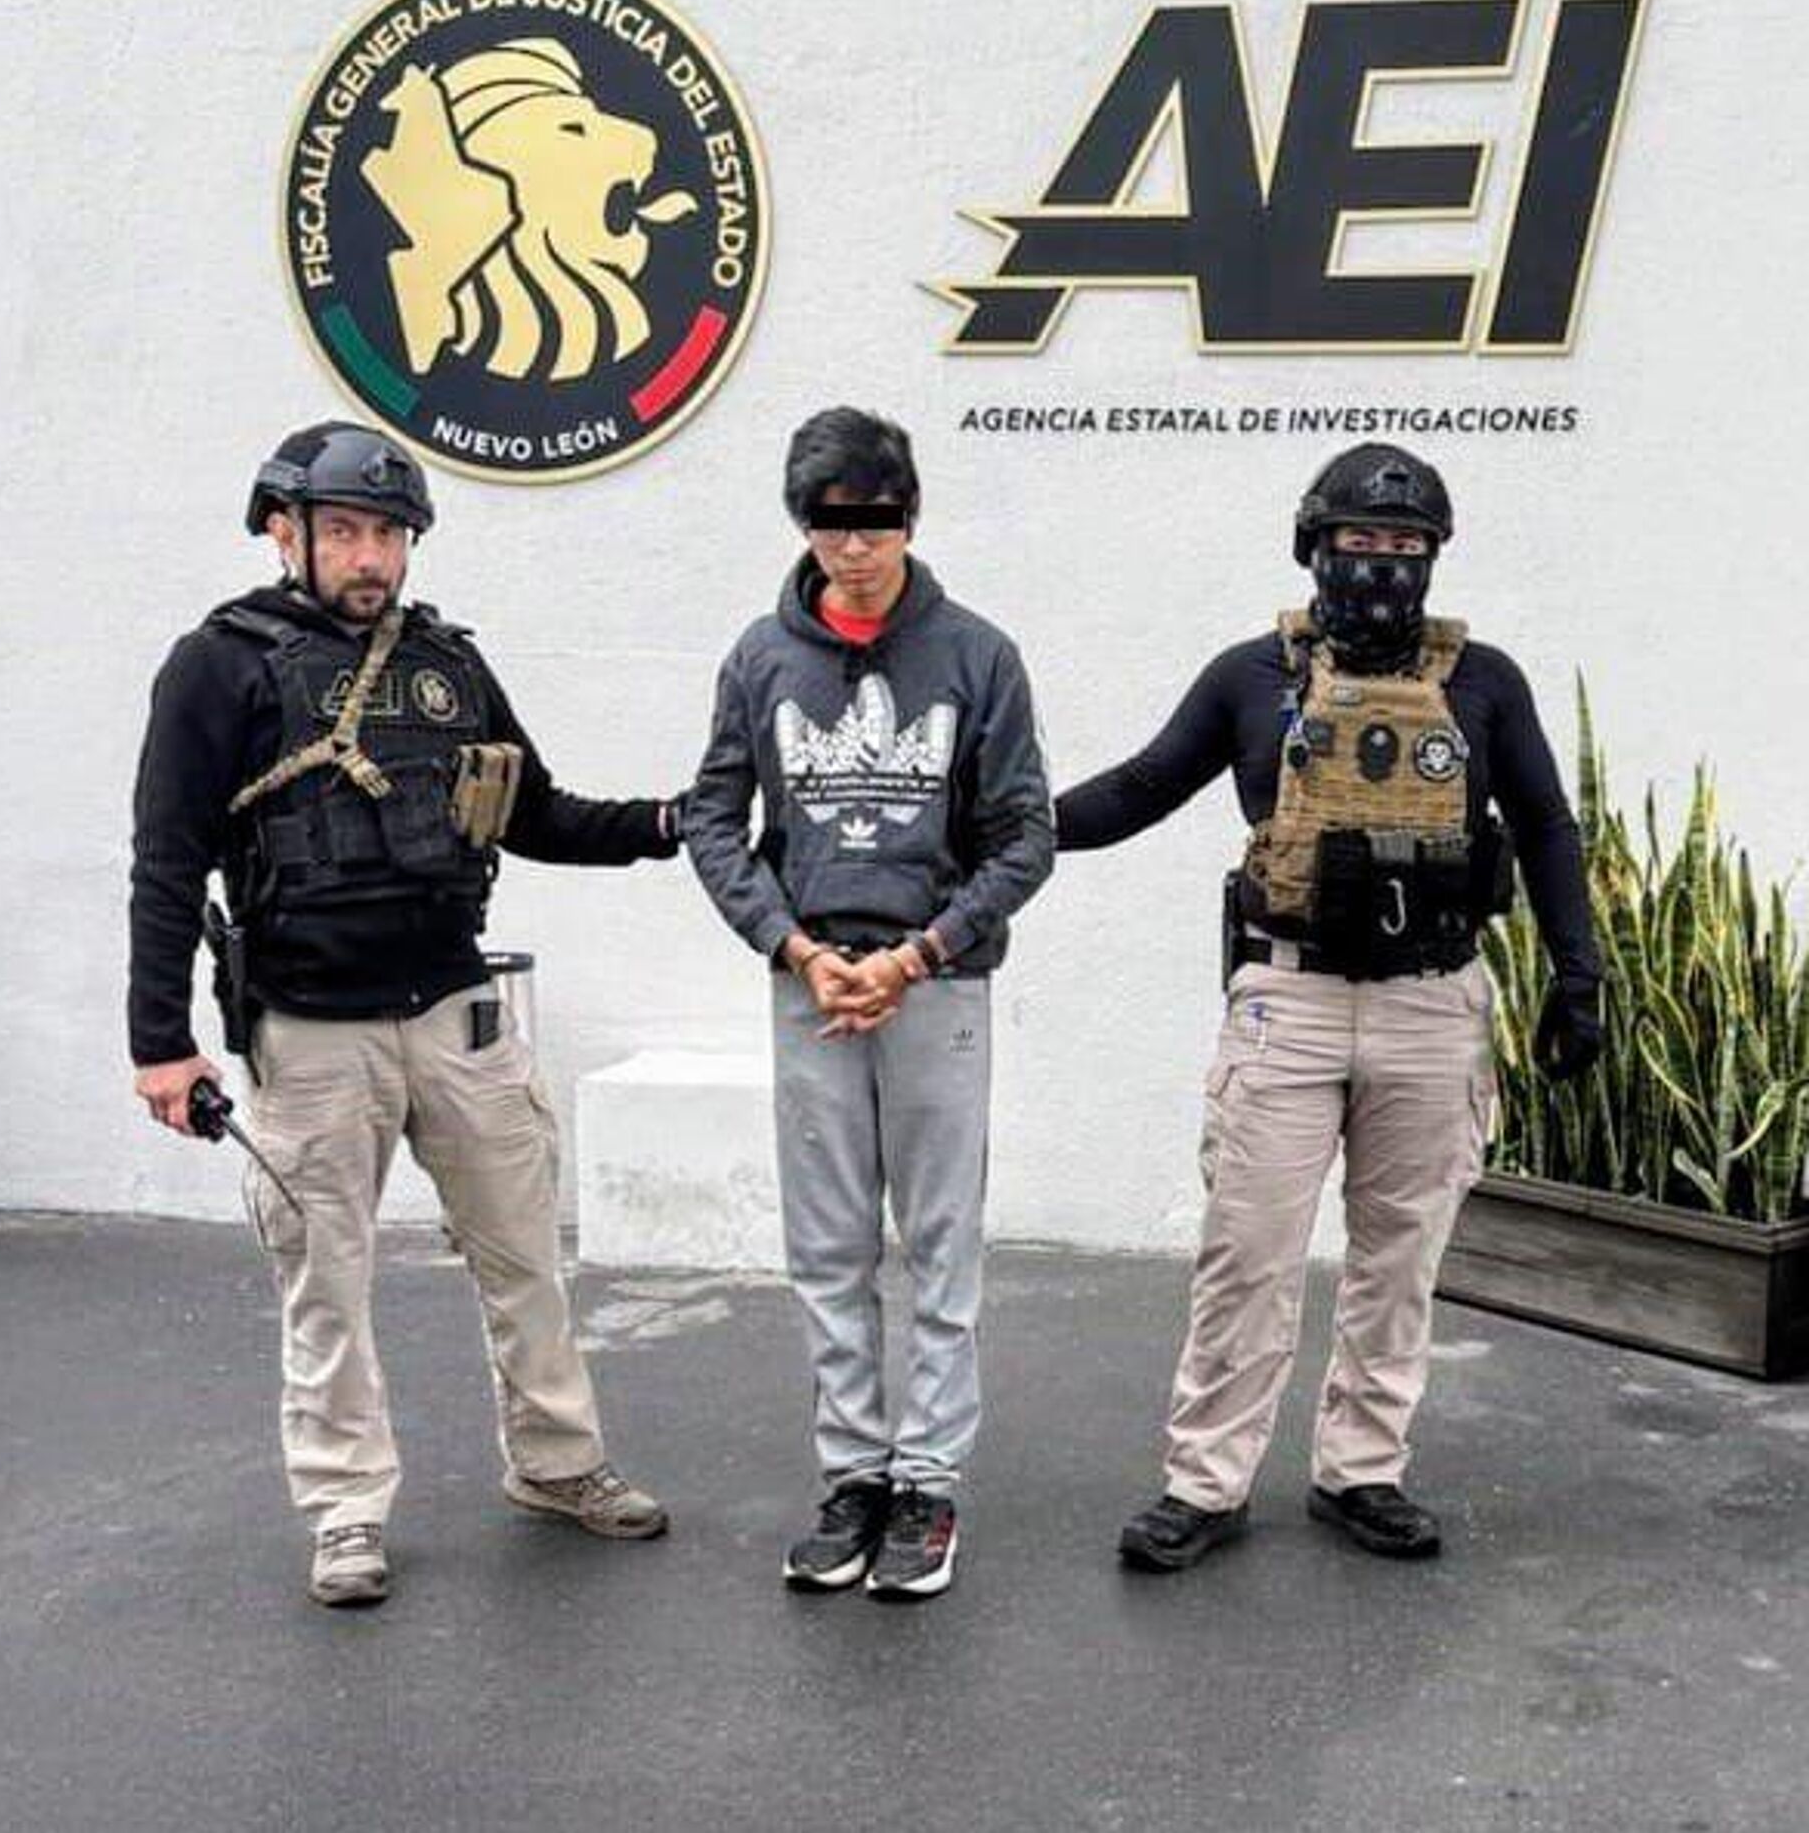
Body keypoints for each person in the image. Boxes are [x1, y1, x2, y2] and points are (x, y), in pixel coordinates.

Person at [129, 420, 676, 1606]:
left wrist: (669, 823)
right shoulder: (218, 665)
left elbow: (541, 813)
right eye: (344, 530)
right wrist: (159, 1042)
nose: (370, 555)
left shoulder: (446, 665)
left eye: (388, 532)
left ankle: (558, 1461)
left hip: (454, 1011)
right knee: (325, 1283)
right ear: (285, 532)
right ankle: (345, 1510)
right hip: (311, 1029)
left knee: (523, 1253)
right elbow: (167, 860)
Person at [1055, 443, 1603, 1572]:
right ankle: (1205, 1482)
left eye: (1406, 546)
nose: (1382, 565)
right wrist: (998, 829)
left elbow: (1547, 825)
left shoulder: (1486, 682)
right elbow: (1138, 789)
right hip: (1289, 1000)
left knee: (1399, 1258)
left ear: (1434, 558)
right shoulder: (1249, 676)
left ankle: (1362, 1470)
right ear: (1313, 548)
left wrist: (1578, 973)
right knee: (1248, 1254)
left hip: (1431, 1005)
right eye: (1360, 541)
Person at [681, 407, 1053, 1600]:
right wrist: (791, 946)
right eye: (831, 523)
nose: (855, 546)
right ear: (802, 523)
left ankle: (928, 1483)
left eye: (876, 522)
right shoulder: (760, 658)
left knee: (941, 1245)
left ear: (911, 516)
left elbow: (1026, 835)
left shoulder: (978, 655)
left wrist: (922, 952)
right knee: (828, 1246)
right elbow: (712, 818)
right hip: (812, 987)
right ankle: (854, 1476)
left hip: (934, 986)